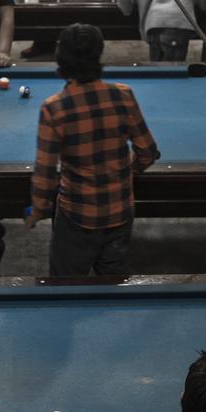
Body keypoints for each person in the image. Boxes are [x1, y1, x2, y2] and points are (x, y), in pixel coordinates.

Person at [25, 24, 159, 276]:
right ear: (99, 54)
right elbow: (148, 153)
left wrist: (38, 210)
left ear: (60, 58)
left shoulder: (54, 108)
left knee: (65, 285)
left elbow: (46, 174)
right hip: (120, 213)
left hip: (76, 218)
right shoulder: (123, 95)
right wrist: (127, 173)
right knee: (112, 284)